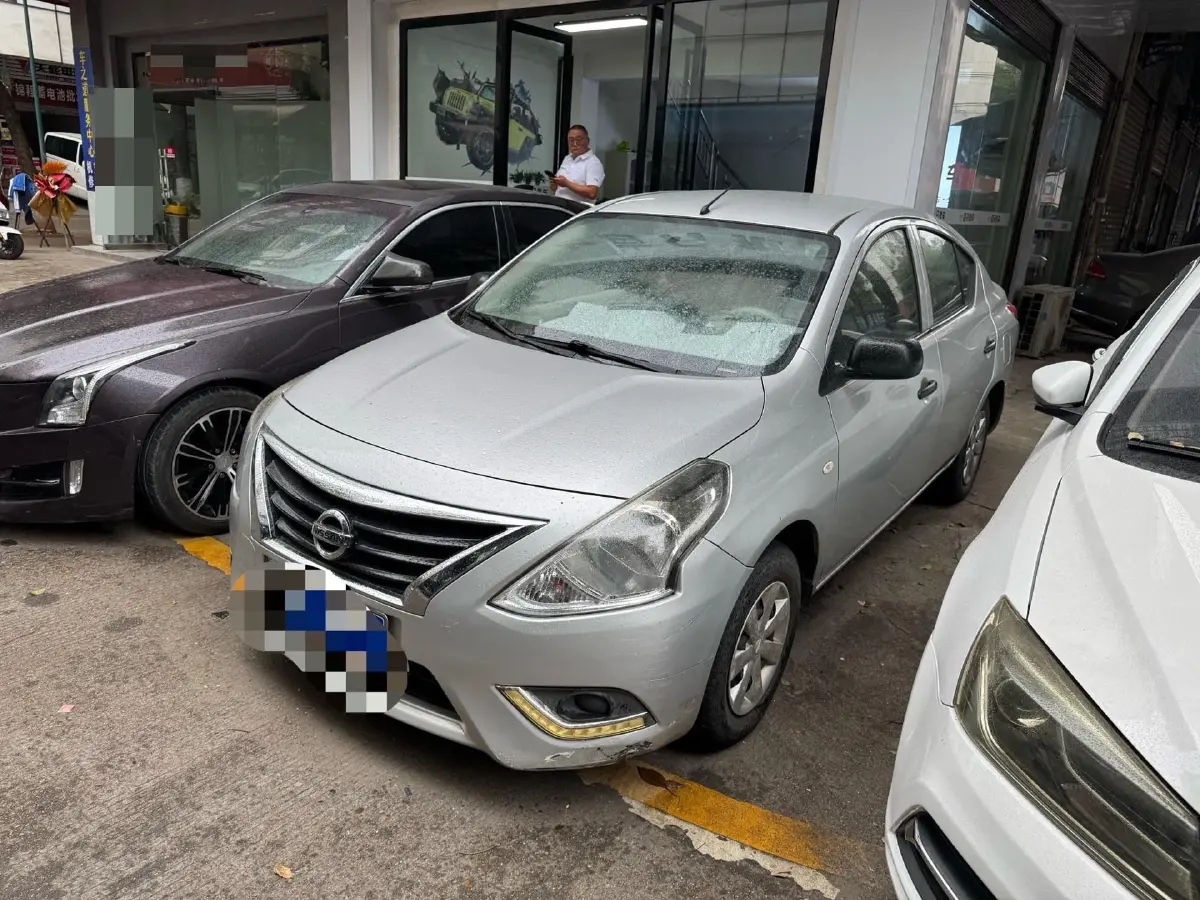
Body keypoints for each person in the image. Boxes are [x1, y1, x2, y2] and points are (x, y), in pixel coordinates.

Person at [549, 124, 604, 204]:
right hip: (560, 205)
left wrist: (567, 183)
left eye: (579, 139)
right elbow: (559, 188)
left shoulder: (593, 162)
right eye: (571, 140)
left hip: (578, 209)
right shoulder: (567, 158)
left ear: (587, 141)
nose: (575, 144)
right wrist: (555, 184)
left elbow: (592, 193)